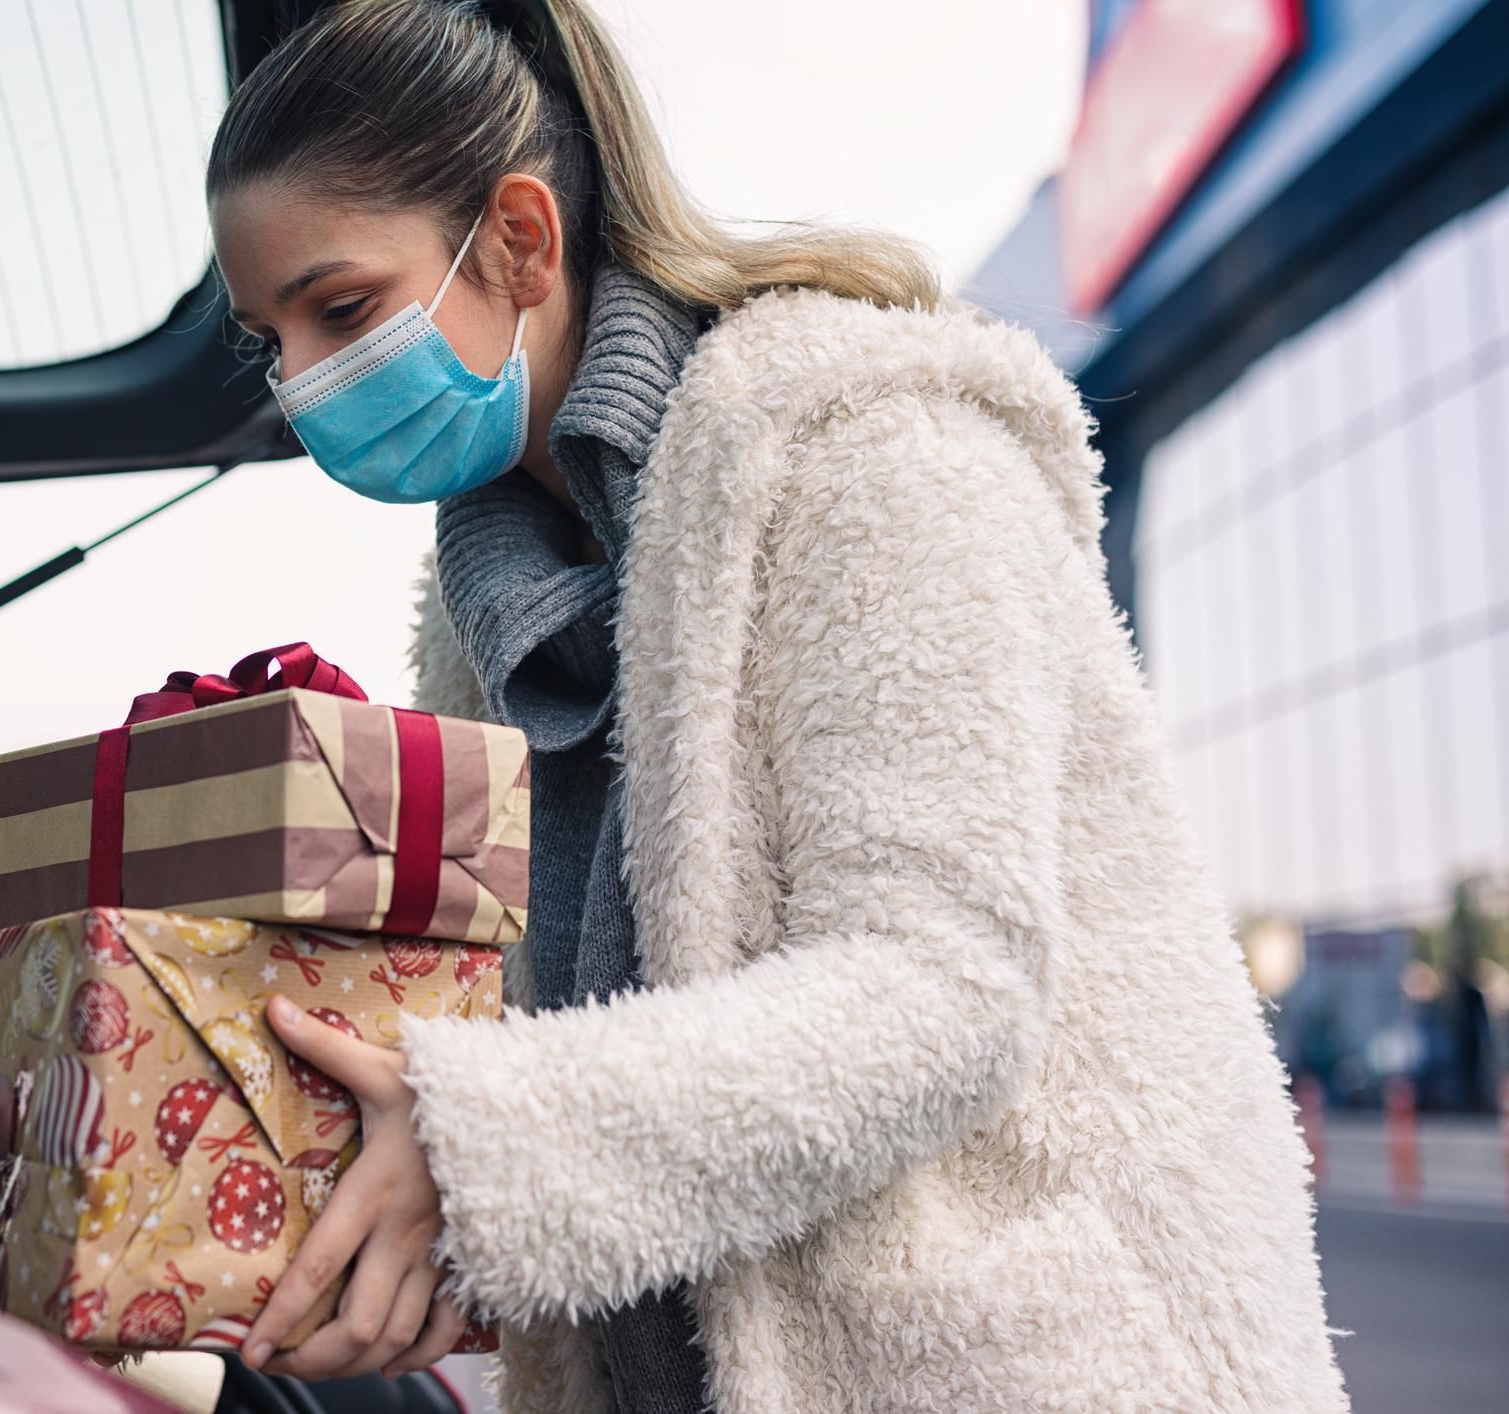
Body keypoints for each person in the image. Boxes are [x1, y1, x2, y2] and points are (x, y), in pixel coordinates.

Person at [205, 2, 1349, 1410]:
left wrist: (475, 1146)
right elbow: (561, 1058)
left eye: (342, 308)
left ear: (517, 238)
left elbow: (949, 989)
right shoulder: (484, 604)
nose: (305, 383)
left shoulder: (870, 446)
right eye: (272, 338)